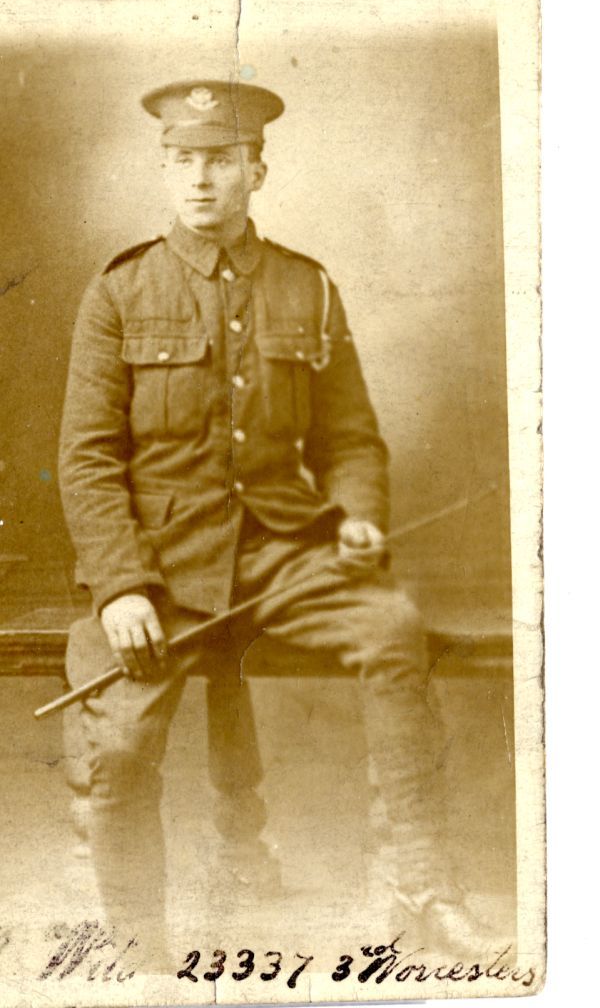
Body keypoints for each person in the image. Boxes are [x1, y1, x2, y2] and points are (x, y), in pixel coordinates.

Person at [58, 78, 481, 973]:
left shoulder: (307, 288)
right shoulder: (120, 291)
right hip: (160, 570)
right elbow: (88, 459)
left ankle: (421, 883)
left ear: (257, 169)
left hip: (284, 553)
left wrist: (360, 518)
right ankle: (136, 949)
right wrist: (123, 588)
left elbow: (352, 439)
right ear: (165, 170)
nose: (199, 181)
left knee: (394, 631)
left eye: (219, 162)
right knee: (123, 744)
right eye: (182, 162)